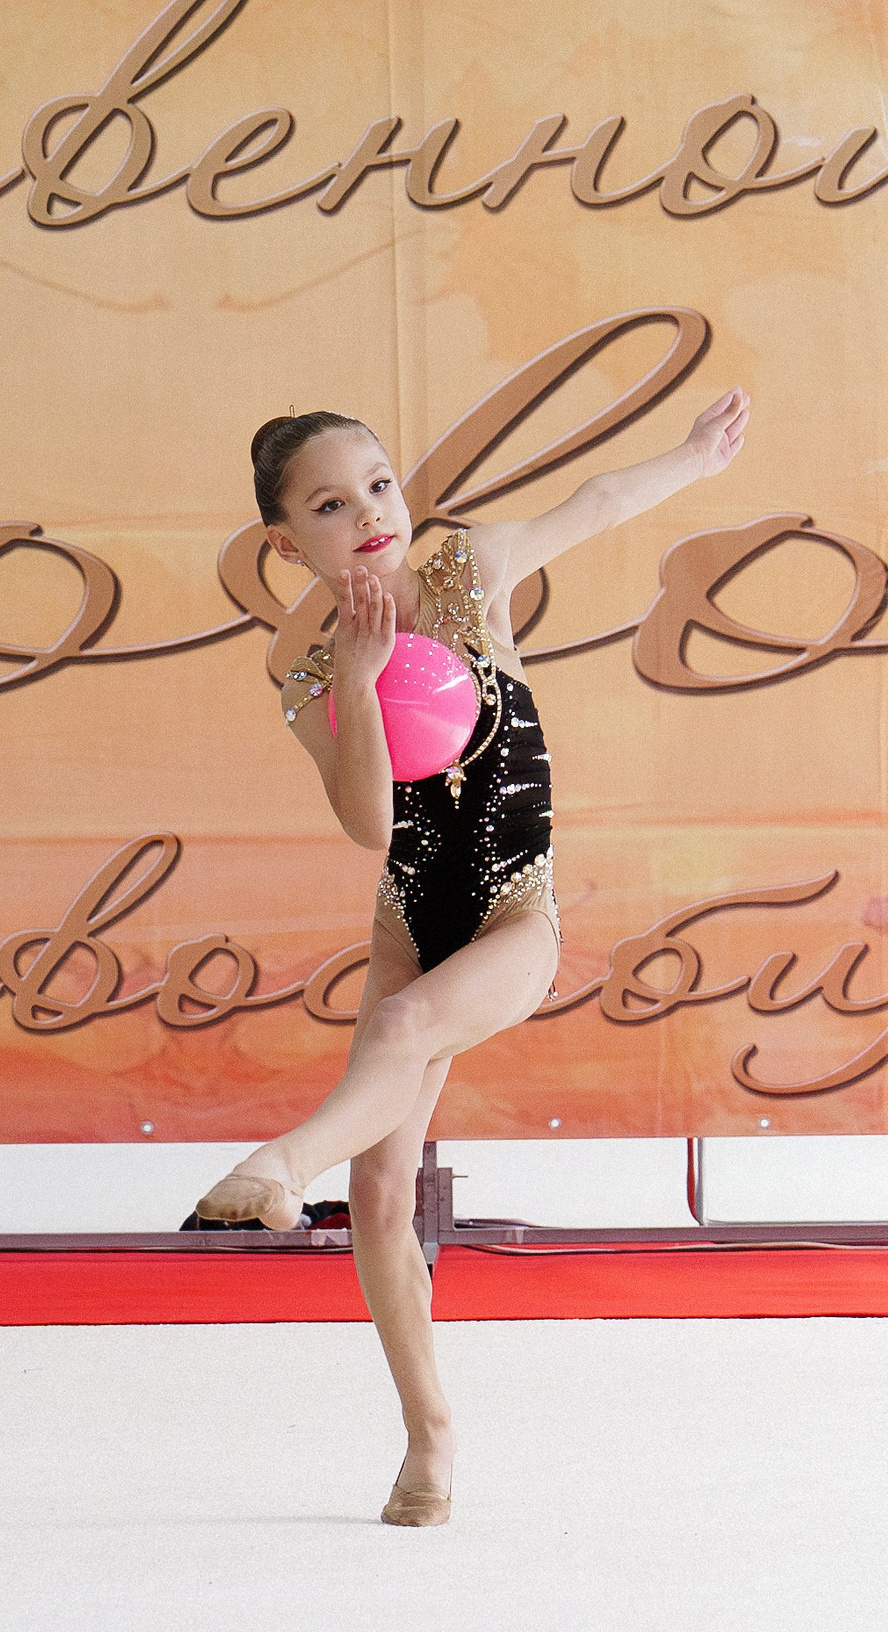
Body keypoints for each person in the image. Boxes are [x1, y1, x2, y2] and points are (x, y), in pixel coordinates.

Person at [195, 387, 752, 1526]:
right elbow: (371, 828)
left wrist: (694, 459)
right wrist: (354, 674)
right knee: (384, 1184)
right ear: (285, 540)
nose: (368, 515)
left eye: (380, 486)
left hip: (512, 918)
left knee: (396, 1039)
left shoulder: (469, 572)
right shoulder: (300, 666)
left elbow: (593, 502)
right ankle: (429, 1437)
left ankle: (275, 1166)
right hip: (410, 917)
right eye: (331, 505)